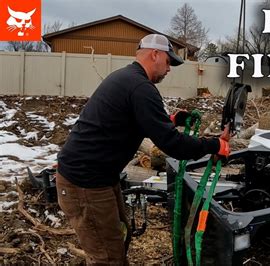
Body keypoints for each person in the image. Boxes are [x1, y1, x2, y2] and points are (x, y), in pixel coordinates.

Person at [55, 34, 230, 265]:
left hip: (96, 179)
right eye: (168, 62)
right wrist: (215, 145)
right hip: (85, 184)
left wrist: (171, 119)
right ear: (154, 54)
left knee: (119, 236)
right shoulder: (140, 87)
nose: (169, 69)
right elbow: (173, 144)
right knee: (107, 258)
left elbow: (131, 120)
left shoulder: (127, 78)